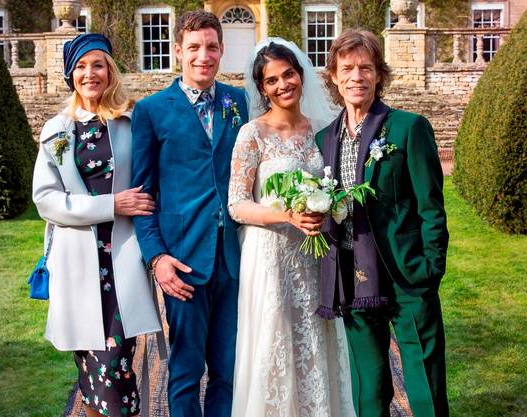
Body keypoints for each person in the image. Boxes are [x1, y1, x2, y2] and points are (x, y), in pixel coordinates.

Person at [315, 29, 450, 417]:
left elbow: (431, 207)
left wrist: (430, 270)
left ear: (379, 75)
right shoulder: (325, 139)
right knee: (369, 386)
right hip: (353, 278)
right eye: (347, 69)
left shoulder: (408, 128)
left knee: (424, 383)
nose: (356, 76)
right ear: (334, 78)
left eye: (365, 68)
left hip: (406, 273)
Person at [32, 33, 162, 417]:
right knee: (91, 375)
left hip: (121, 262)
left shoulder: (131, 122)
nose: (91, 74)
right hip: (78, 267)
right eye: (82, 67)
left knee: (116, 367)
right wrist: (112, 204)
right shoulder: (56, 130)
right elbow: (46, 200)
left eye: (98, 65)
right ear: (71, 75)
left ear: (110, 71)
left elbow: (150, 181)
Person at [228, 38, 355, 417]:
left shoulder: (324, 130)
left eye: (289, 74)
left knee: (318, 335)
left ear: (301, 76)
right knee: (276, 342)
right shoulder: (252, 135)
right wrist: (287, 215)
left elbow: (339, 185)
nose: (283, 84)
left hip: (317, 256)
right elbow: (237, 203)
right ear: (262, 88)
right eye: (272, 80)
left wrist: (329, 207)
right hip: (270, 257)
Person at [130, 11, 248, 417]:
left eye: (211, 47)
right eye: (194, 47)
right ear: (178, 50)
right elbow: (143, 195)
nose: (204, 56)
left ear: (221, 50)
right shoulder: (150, 111)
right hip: (182, 261)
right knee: (185, 370)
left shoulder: (239, 101)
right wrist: (158, 258)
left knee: (228, 369)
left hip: (234, 257)